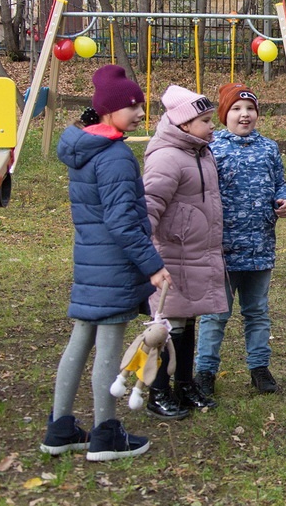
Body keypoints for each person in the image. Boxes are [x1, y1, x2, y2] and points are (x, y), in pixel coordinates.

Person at [42, 64, 170, 461]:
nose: (139, 114)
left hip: (90, 263)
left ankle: (60, 428)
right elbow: (122, 221)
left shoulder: (85, 147)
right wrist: (152, 265)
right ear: (108, 109)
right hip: (113, 266)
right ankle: (105, 434)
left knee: (80, 341)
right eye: (132, 106)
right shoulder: (114, 156)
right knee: (109, 349)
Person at [194, 84, 286, 396]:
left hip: (260, 247)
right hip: (221, 250)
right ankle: (205, 372)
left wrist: (285, 199)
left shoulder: (269, 148)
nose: (244, 114)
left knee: (257, 312)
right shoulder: (211, 150)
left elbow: (281, 183)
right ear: (224, 115)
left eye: (250, 109)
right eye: (236, 109)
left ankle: (259, 369)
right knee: (216, 315)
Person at [142, 85, 228, 417]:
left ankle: (184, 385)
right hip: (171, 256)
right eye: (205, 120)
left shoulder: (199, 151)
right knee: (168, 326)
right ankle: (158, 391)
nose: (212, 126)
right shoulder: (167, 157)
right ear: (183, 124)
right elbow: (148, 208)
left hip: (196, 253)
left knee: (188, 321)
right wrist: (146, 258)